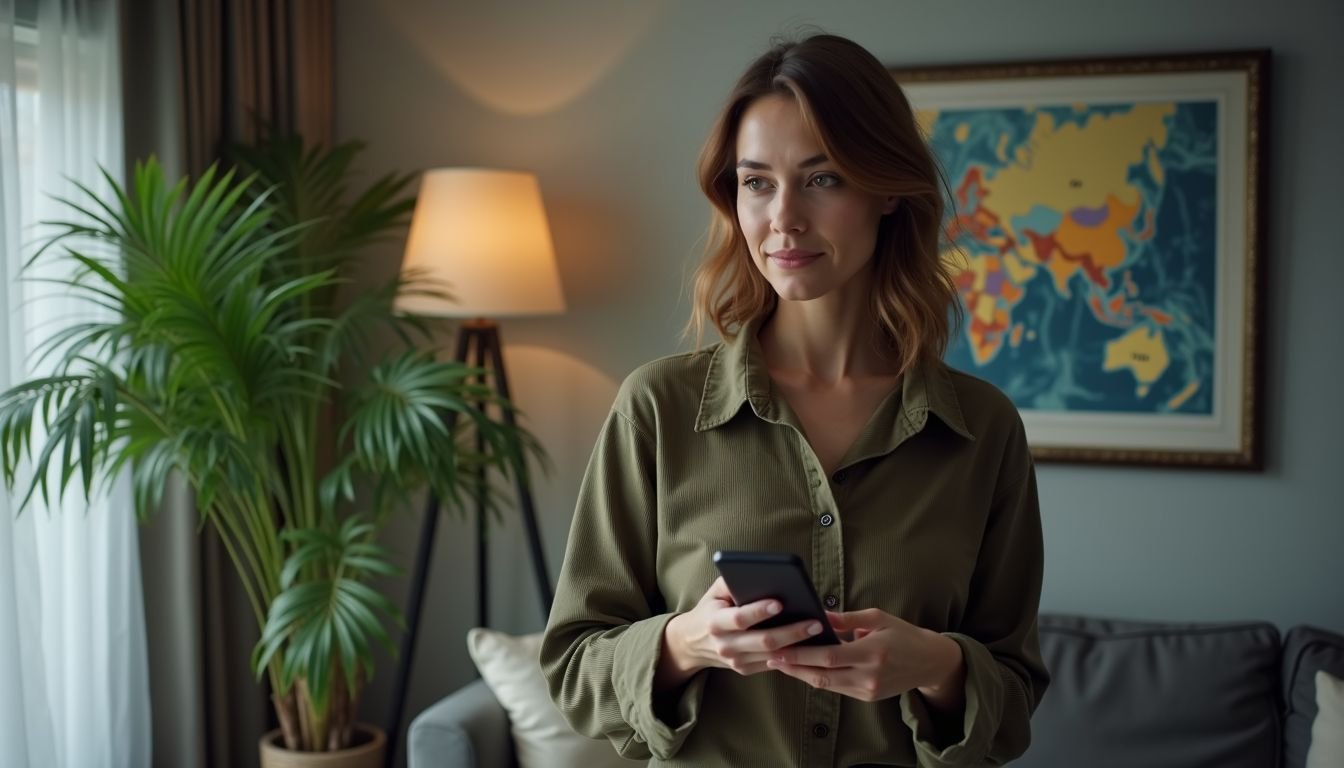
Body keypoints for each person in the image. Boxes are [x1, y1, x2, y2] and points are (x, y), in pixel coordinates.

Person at [540, 33, 1049, 767]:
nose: (783, 218)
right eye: (756, 182)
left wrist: (938, 667)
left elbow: (1014, 702)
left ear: (888, 192)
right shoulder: (657, 407)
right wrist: (685, 642)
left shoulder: (981, 429)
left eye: (823, 179)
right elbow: (572, 669)